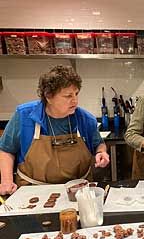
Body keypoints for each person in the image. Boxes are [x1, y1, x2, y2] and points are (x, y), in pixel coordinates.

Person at [0, 65, 110, 195]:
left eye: (76, 94)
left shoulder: (85, 119)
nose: (75, 100)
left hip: (78, 192)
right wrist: (6, 181)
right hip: (33, 190)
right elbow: (6, 150)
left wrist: (101, 152)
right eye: (68, 96)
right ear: (49, 96)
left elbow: (98, 144)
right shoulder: (24, 116)